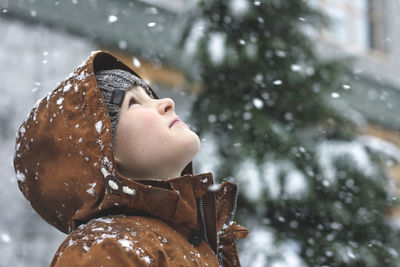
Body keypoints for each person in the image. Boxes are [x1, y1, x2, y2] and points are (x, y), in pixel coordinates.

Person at [13, 51, 248, 266]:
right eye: (134, 103)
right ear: (102, 151)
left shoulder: (189, 241)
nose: (167, 103)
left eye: (149, 95)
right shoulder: (106, 248)